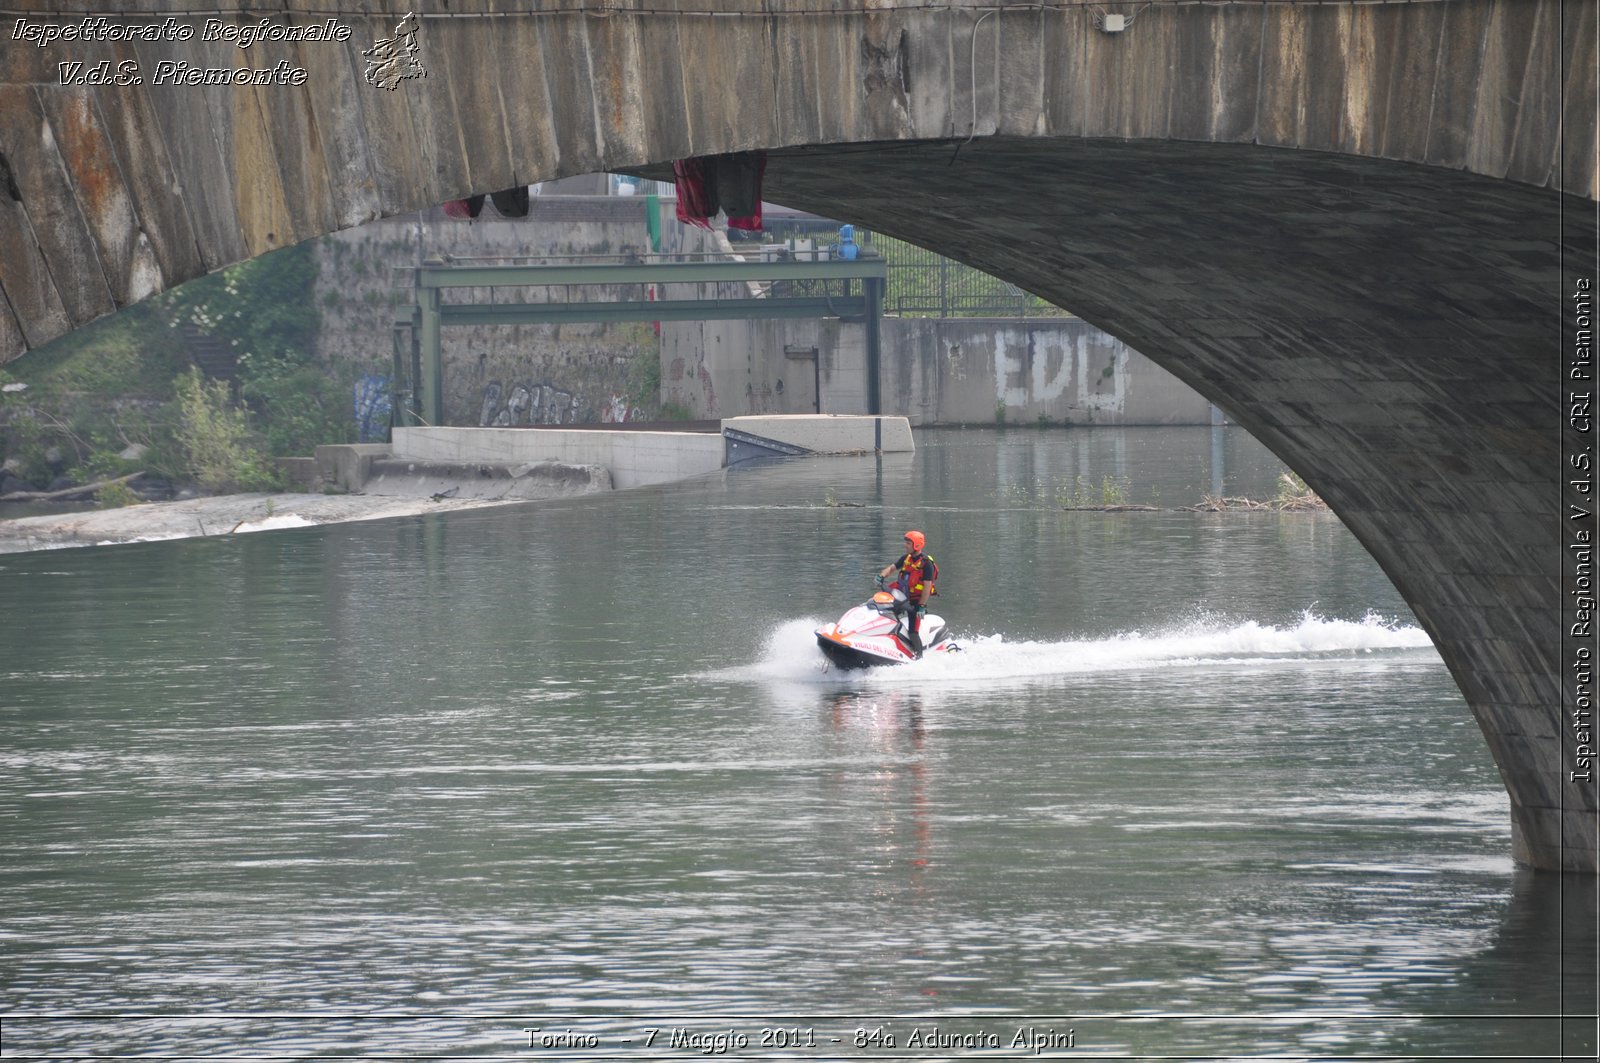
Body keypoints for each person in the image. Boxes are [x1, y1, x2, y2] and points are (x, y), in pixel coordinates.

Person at [877, 529, 938, 657]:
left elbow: (927, 587)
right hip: (901, 596)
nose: (905, 545)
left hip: (915, 602)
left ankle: (919, 657)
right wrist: (881, 576)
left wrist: (921, 606)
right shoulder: (906, 558)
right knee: (881, 611)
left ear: (917, 545)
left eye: (908, 543)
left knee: (913, 632)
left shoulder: (927, 564)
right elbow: (892, 568)